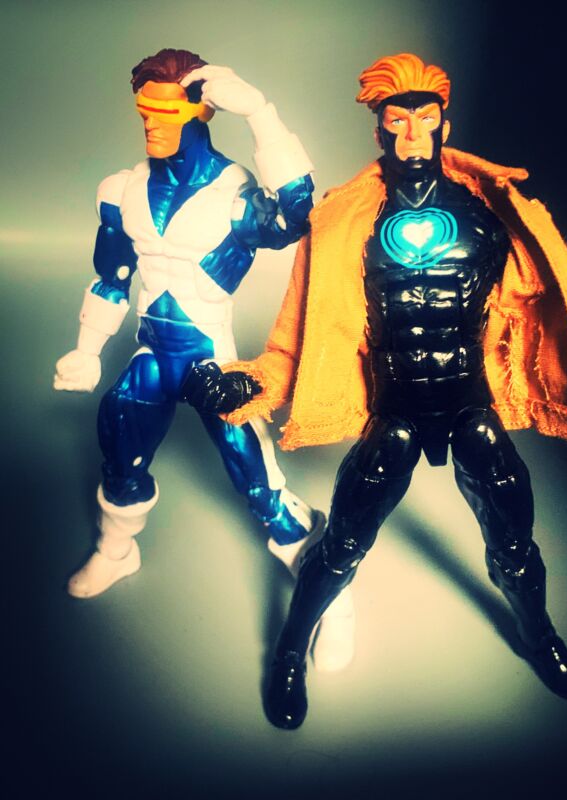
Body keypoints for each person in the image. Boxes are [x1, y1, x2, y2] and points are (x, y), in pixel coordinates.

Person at [183, 53, 567, 728]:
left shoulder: (497, 212)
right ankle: (288, 650)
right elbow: (292, 347)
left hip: (470, 404)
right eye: (396, 122)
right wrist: (242, 385)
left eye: (424, 120)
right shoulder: (343, 222)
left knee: (514, 544)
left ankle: (540, 637)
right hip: (392, 410)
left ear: (444, 124)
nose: (411, 136)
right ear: (378, 129)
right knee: (340, 546)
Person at [54, 48, 354, 671]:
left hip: (212, 362)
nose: (152, 124)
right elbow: (112, 277)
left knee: (256, 478)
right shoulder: (122, 189)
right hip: (151, 355)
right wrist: (86, 350)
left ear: (201, 110)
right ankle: (117, 550)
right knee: (118, 440)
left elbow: (300, 215)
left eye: (167, 112)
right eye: (144, 111)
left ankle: (322, 580)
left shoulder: (236, 194)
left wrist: (261, 114)